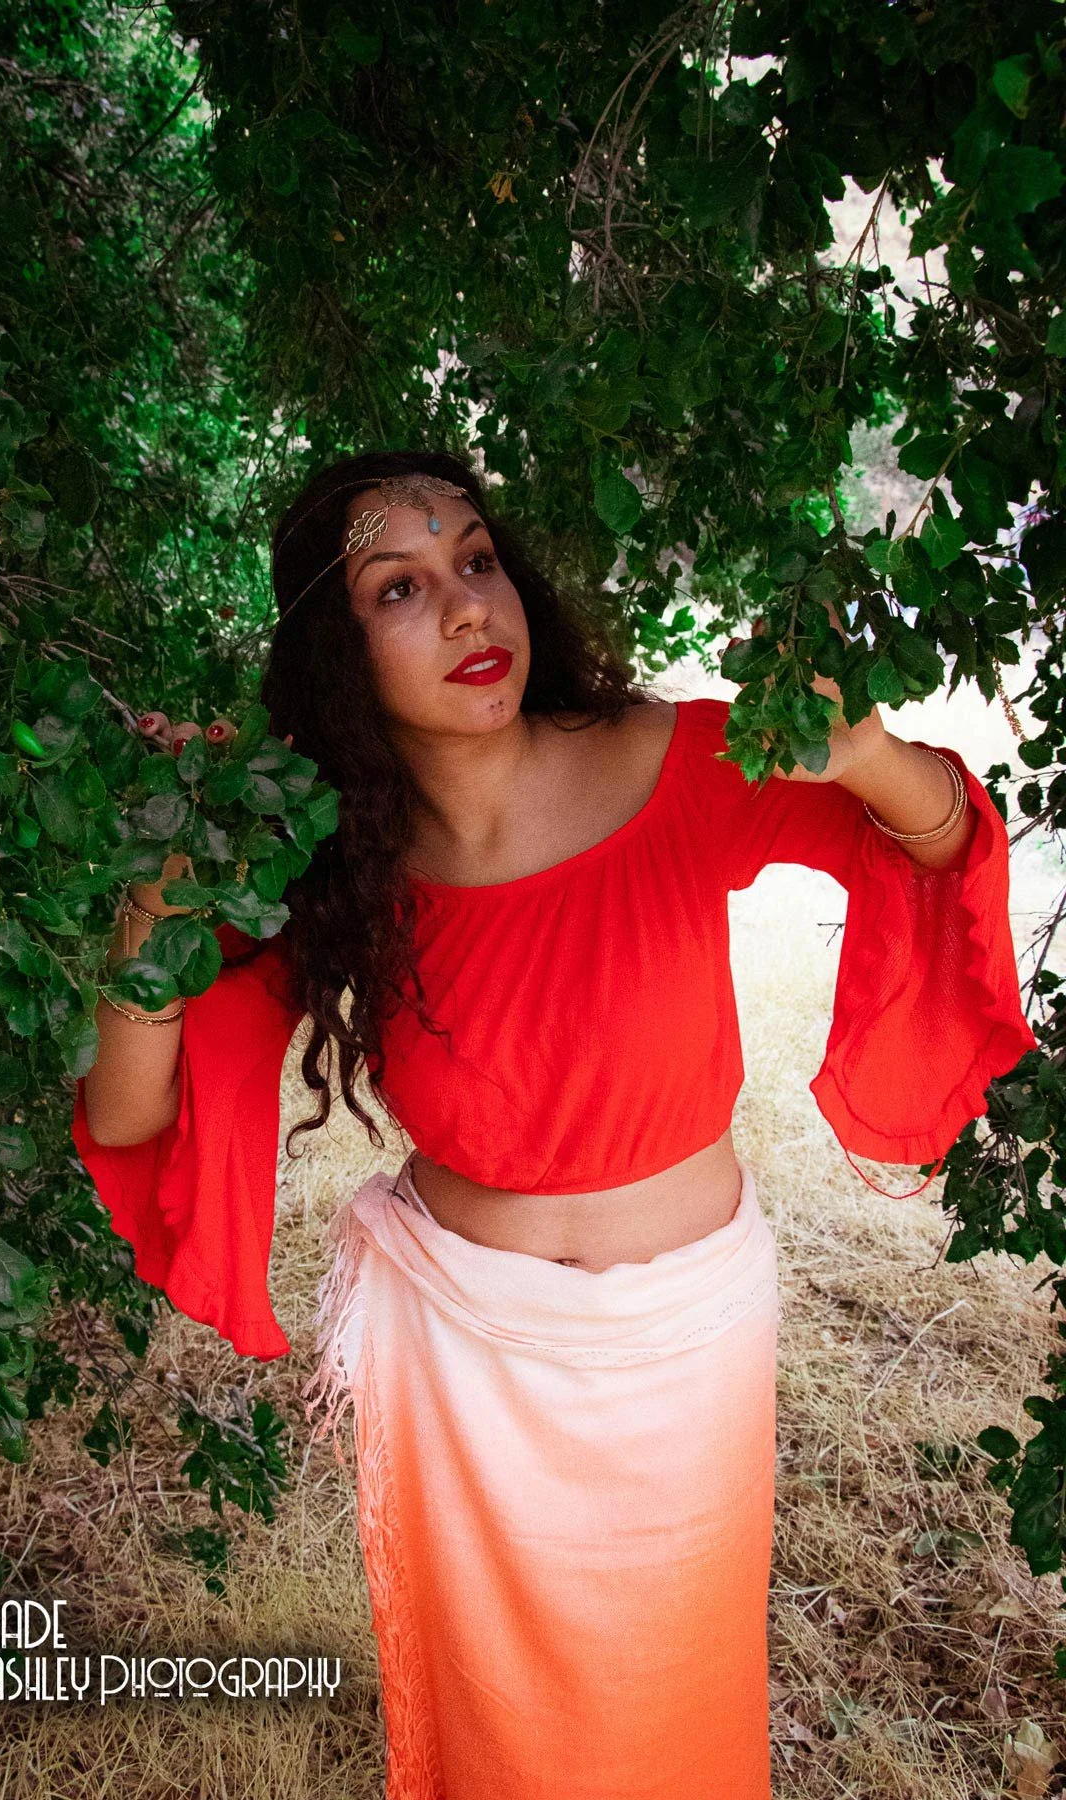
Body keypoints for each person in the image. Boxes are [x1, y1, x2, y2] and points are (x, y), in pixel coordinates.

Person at [72, 449, 1037, 1800]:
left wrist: (870, 753)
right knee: (505, 1735)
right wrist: (152, 911)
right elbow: (132, 1111)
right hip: (470, 1367)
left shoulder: (673, 761)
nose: (472, 608)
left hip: (681, 1355)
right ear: (340, 660)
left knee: (669, 1717)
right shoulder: (330, 860)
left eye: (477, 560)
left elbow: (940, 841)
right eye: (400, 587)